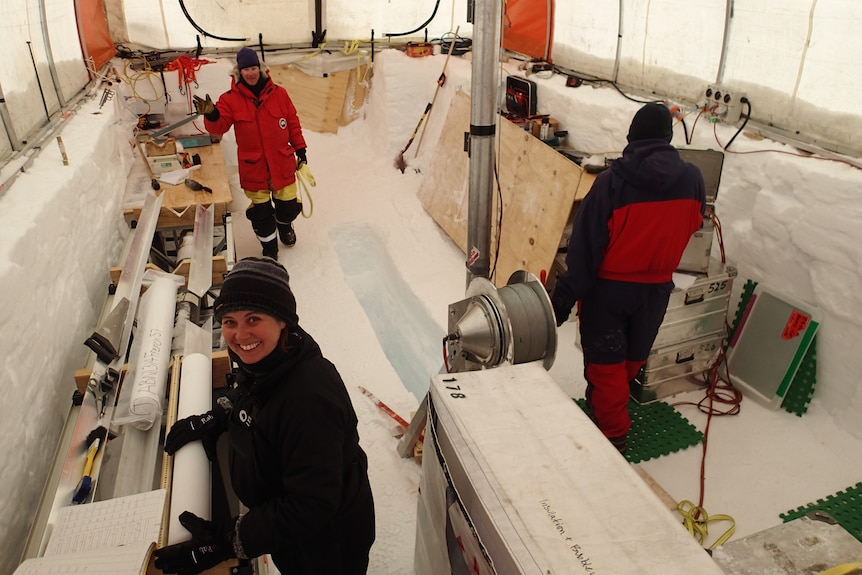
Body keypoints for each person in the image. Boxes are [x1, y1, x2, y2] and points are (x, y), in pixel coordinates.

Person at [154, 257, 375, 575]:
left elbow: (309, 506)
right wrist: (218, 415)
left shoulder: (310, 399)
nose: (240, 335)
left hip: (324, 545)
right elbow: (253, 390)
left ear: (282, 320)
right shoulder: (276, 356)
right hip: (289, 533)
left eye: (253, 319)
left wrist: (226, 541)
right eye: (229, 321)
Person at [551, 102, 705, 455]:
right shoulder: (694, 179)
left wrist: (562, 300)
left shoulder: (611, 183)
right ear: (667, 138)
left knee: (605, 367)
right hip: (656, 291)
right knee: (631, 360)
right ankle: (608, 410)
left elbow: (585, 251)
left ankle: (613, 436)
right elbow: (695, 222)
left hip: (609, 291)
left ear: (632, 138)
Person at [194, 47, 308, 259]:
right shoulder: (229, 100)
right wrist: (212, 114)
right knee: (261, 214)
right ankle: (269, 247)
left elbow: (292, 121)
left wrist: (300, 148)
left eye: (254, 68)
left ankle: (284, 227)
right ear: (239, 72)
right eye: (246, 69)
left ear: (261, 69)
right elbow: (218, 128)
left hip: (282, 162)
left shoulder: (279, 94)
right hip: (253, 167)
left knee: (288, 205)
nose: (251, 73)